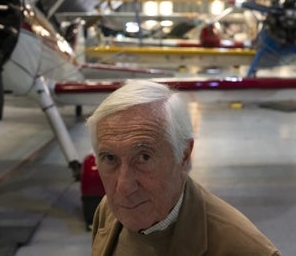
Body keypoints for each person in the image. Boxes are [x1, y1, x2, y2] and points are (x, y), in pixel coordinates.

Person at [86, 80, 281, 255]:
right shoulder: (109, 211)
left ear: (184, 155)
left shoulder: (245, 250)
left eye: (144, 157)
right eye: (110, 158)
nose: (124, 187)